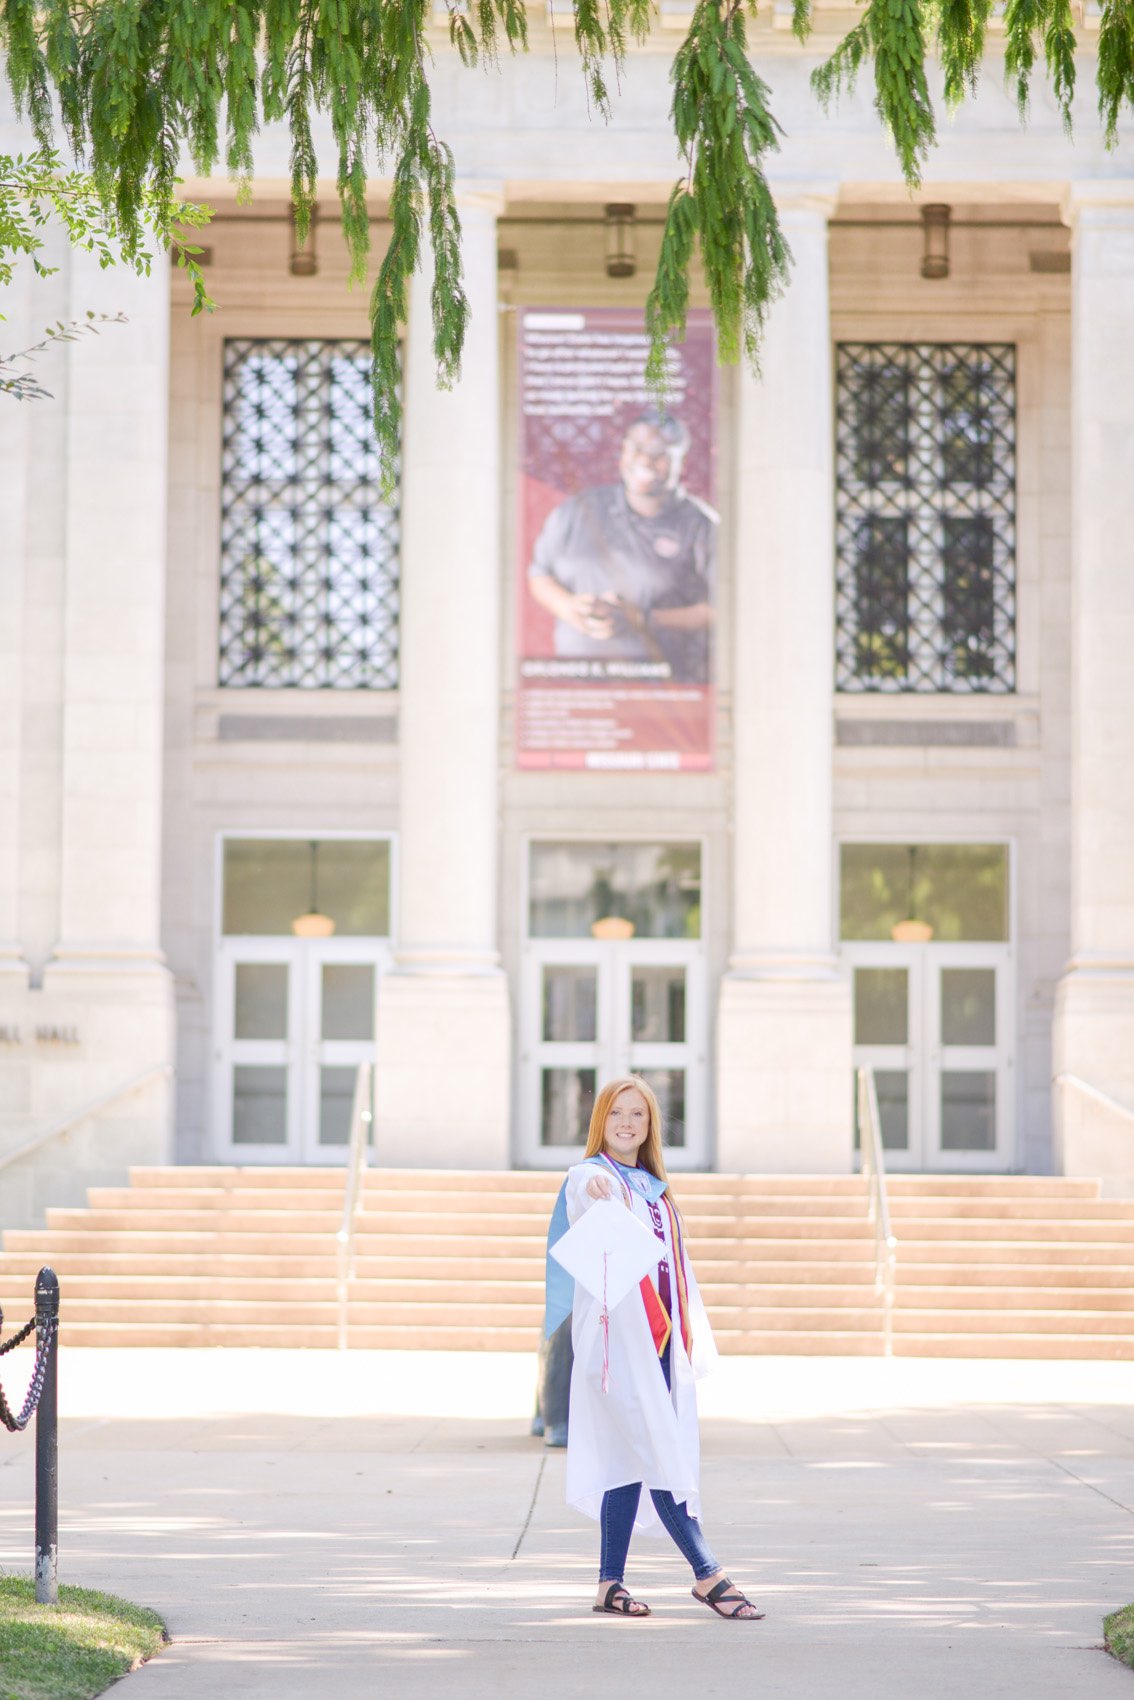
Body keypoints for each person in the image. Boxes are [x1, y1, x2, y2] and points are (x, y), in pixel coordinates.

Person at [545, 1076, 763, 1621]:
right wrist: (596, 1188)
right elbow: (583, 1193)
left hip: (662, 1344)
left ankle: (608, 1586)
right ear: (601, 1121)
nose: (626, 1123)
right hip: (620, 1350)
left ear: (649, 1125)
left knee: (628, 1457)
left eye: (637, 1115)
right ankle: (709, 1574)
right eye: (616, 1113)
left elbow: (678, 1270)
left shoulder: (655, 1188)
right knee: (661, 1452)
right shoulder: (592, 1175)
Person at [527, 412, 716, 683]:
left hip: (661, 698)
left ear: (680, 461)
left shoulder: (702, 526)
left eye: (659, 452)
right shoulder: (577, 510)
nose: (645, 460)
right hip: (574, 692)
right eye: (637, 448)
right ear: (623, 451)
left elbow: (722, 609)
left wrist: (642, 619)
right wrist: (571, 607)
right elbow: (539, 574)